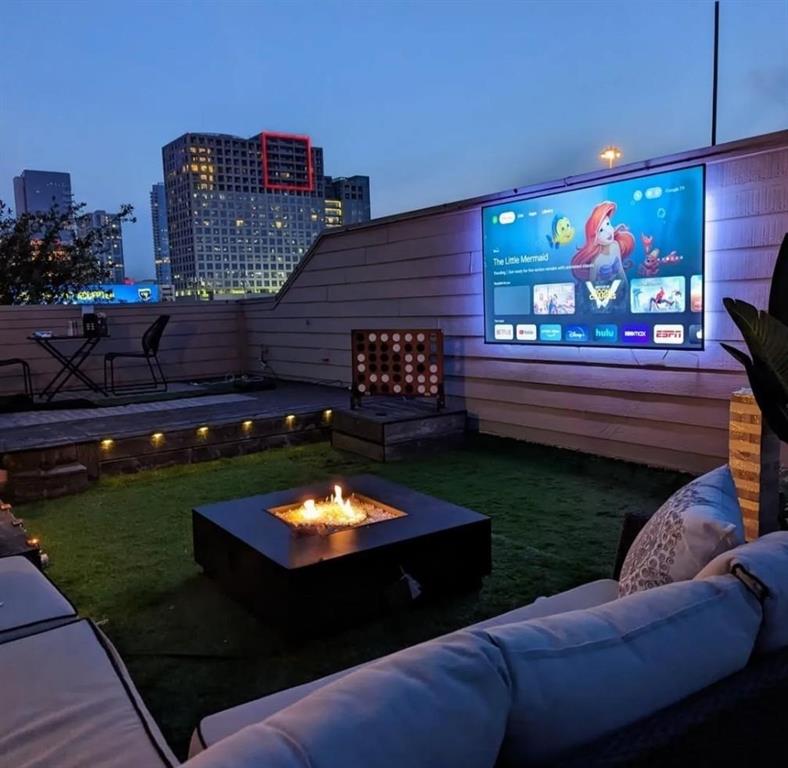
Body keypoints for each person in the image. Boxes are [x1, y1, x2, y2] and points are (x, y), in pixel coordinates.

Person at [571, 201, 635, 285]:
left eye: (608, 224)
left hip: (619, 290)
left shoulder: (615, 246)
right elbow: (591, 285)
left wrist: (626, 288)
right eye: (601, 230)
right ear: (595, 238)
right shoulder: (596, 260)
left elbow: (621, 272)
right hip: (603, 292)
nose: (608, 232)